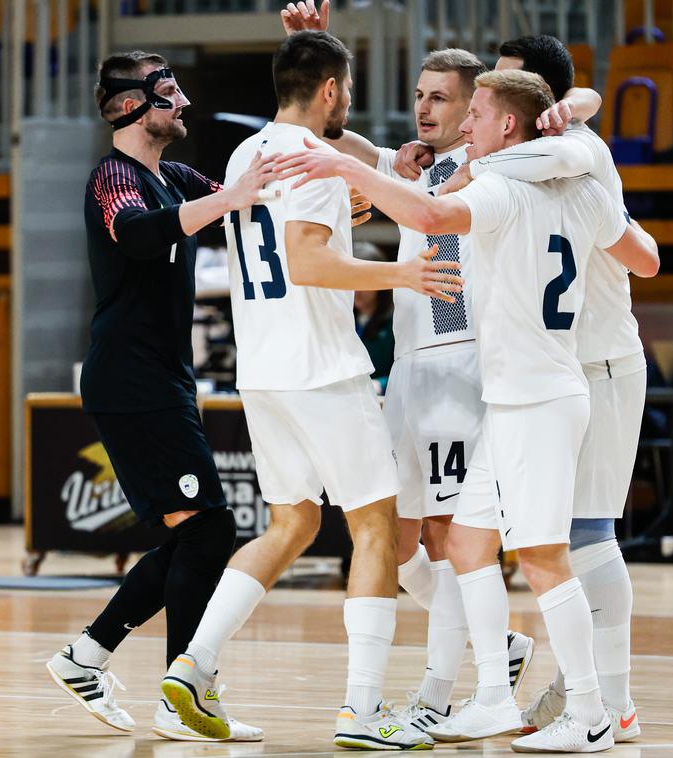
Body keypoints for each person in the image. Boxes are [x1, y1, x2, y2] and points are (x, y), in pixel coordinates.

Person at [277, 68, 658, 752]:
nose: (468, 125)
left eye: (476, 113)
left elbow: (427, 220)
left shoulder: (501, 190)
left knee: (544, 558)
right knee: (467, 543)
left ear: (506, 125)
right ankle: (490, 696)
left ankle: (594, 711)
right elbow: (646, 260)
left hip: (537, 397)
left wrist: (341, 165)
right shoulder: (582, 187)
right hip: (519, 393)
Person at [159, 30, 461, 750]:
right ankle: (362, 709)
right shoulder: (317, 160)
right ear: (331, 91)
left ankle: (192, 666)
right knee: (375, 530)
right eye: (347, 92)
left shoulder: (245, 153)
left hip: (262, 371)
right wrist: (399, 273)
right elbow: (309, 261)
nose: (348, 104)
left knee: (290, 525)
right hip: (321, 369)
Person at [44, 50, 277, 743]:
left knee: (196, 531)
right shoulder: (112, 178)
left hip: (161, 375)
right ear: (129, 107)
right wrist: (229, 199)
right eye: (168, 94)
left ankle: (86, 657)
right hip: (130, 375)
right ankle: (184, 688)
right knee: (208, 529)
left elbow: (244, 199)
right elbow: (136, 234)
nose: (183, 106)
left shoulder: (173, 176)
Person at [434, 35, 658, 743]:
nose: (484, 106)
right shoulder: (526, 159)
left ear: (540, 103)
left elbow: (475, 177)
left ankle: (610, 702)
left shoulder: (575, 149)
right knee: (509, 537)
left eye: (498, 92)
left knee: (587, 534)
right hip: (544, 365)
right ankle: (539, 690)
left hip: (598, 363)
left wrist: (443, 176)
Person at [351, 242, 396, 387]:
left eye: (363, 281)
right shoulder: (343, 318)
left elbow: (407, 372)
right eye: (351, 281)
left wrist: (379, 385)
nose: (356, 289)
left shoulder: (395, 322)